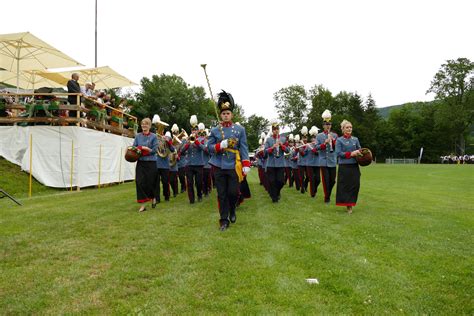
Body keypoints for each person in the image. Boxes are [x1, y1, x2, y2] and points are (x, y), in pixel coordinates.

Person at [207, 90, 250, 231]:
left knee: (233, 193)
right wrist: (221, 145)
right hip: (218, 164)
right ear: (220, 115)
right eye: (223, 113)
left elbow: (243, 147)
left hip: (233, 165)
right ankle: (223, 220)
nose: (225, 115)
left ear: (231, 114)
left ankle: (232, 209)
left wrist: (246, 163)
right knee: (221, 194)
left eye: (228, 113)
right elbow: (209, 148)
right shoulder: (214, 130)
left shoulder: (240, 129)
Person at [335, 119, 361, 214]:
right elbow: (338, 153)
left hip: (354, 166)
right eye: (347, 127)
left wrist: (362, 154)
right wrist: (351, 154)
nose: (349, 129)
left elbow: (360, 150)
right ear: (343, 129)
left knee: (355, 185)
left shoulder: (355, 139)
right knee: (345, 186)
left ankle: (351, 203)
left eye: (350, 127)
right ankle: (348, 206)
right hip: (344, 166)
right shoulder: (339, 140)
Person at [132, 118, 158, 212]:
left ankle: (153, 197)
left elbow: (155, 150)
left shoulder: (154, 136)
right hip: (141, 162)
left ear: (149, 126)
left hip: (151, 163)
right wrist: (141, 148)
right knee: (139, 182)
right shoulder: (138, 136)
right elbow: (134, 148)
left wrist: (146, 149)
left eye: (146, 124)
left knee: (150, 183)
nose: (144, 126)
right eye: (142, 124)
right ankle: (143, 205)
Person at [181, 116, 206, 204]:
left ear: (198, 131)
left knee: (199, 183)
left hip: (199, 164)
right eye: (192, 130)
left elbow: (205, 149)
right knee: (190, 183)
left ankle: (199, 195)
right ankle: (191, 199)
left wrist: (197, 142)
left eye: (195, 130)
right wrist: (187, 143)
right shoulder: (187, 139)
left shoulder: (202, 139)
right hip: (189, 164)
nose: (193, 132)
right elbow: (182, 151)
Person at [264, 121, 289, 202]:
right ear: (272, 130)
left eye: (277, 129)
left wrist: (282, 145)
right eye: (274, 129)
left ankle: (277, 192)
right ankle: (274, 198)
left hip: (280, 163)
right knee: (272, 181)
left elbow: (288, 150)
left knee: (281, 181)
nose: (276, 131)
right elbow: (265, 151)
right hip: (271, 164)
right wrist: (272, 147)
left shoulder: (283, 139)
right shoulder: (269, 139)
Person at [317, 110, 338, 204]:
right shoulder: (319, 136)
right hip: (323, 161)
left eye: (329, 124)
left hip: (332, 160)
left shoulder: (335, 135)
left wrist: (332, 141)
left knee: (332, 180)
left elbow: (337, 147)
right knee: (325, 180)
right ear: (323, 125)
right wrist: (324, 143)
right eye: (326, 124)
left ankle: (328, 194)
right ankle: (327, 197)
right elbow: (317, 147)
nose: (328, 125)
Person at [152, 114, 174, 205]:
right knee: (156, 183)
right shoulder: (153, 138)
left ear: (163, 130)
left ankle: (167, 195)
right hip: (156, 163)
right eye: (158, 128)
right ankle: (157, 198)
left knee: (165, 182)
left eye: (161, 128)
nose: (160, 130)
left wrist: (168, 142)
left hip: (164, 164)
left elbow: (172, 150)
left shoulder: (166, 139)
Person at [306, 126, 321, 198]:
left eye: (315, 138)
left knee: (318, 179)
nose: (314, 139)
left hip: (317, 163)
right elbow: (303, 154)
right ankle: (312, 194)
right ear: (311, 138)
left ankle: (314, 190)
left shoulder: (318, 145)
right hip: (309, 164)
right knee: (311, 179)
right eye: (313, 138)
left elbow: (318, 153)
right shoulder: (308, 145)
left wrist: (312, 148)